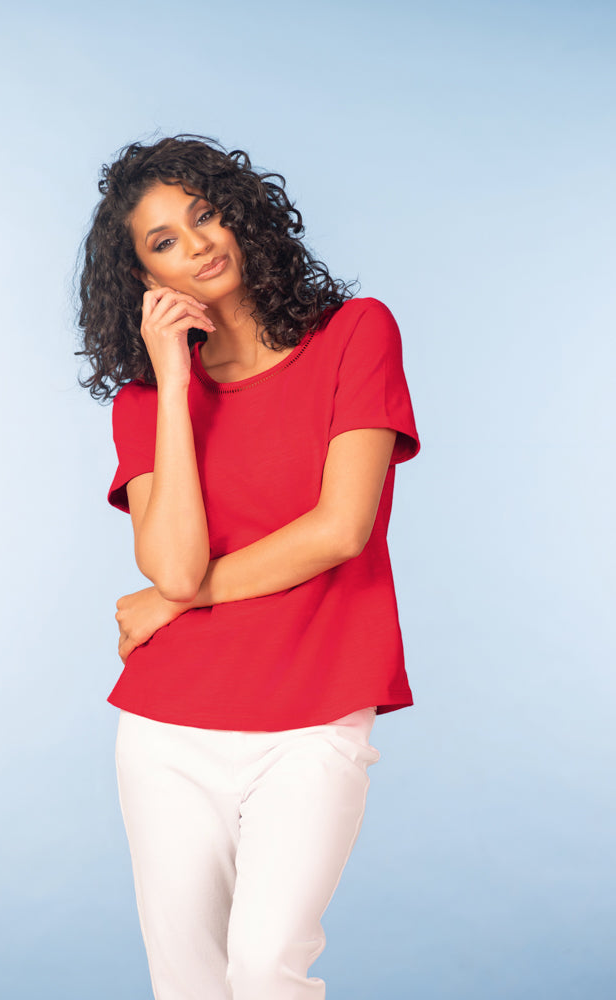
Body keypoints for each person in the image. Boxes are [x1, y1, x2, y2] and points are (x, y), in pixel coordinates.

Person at [75, 133, 421, 1000]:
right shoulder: (148, 405)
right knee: (189, 983)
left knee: (267, 965)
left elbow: (341, 529)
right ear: (144, 278)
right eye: (163, 242)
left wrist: (169, 608)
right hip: (169, 731)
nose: (196, 244)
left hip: (312, 715)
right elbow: (177, 567)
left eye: (204, 213)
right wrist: (172, 378)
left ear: (241, 212)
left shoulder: (355, 333)